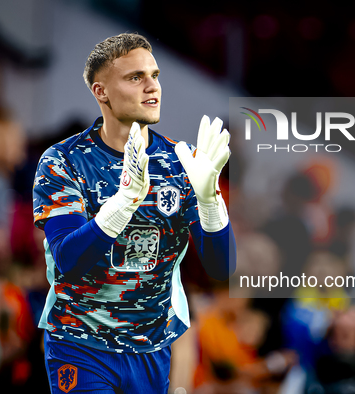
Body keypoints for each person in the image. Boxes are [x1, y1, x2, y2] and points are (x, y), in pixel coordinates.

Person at [33, 33, 235, 393]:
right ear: (101, 92)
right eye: (135, 77)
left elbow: (222, 270)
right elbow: (67, 259)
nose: (152, 86)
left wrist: (209, 200)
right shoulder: (63, 160)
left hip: (152, 348)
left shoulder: (181, 163)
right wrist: (123, 203)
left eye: (154, 75)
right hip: (80, 343)